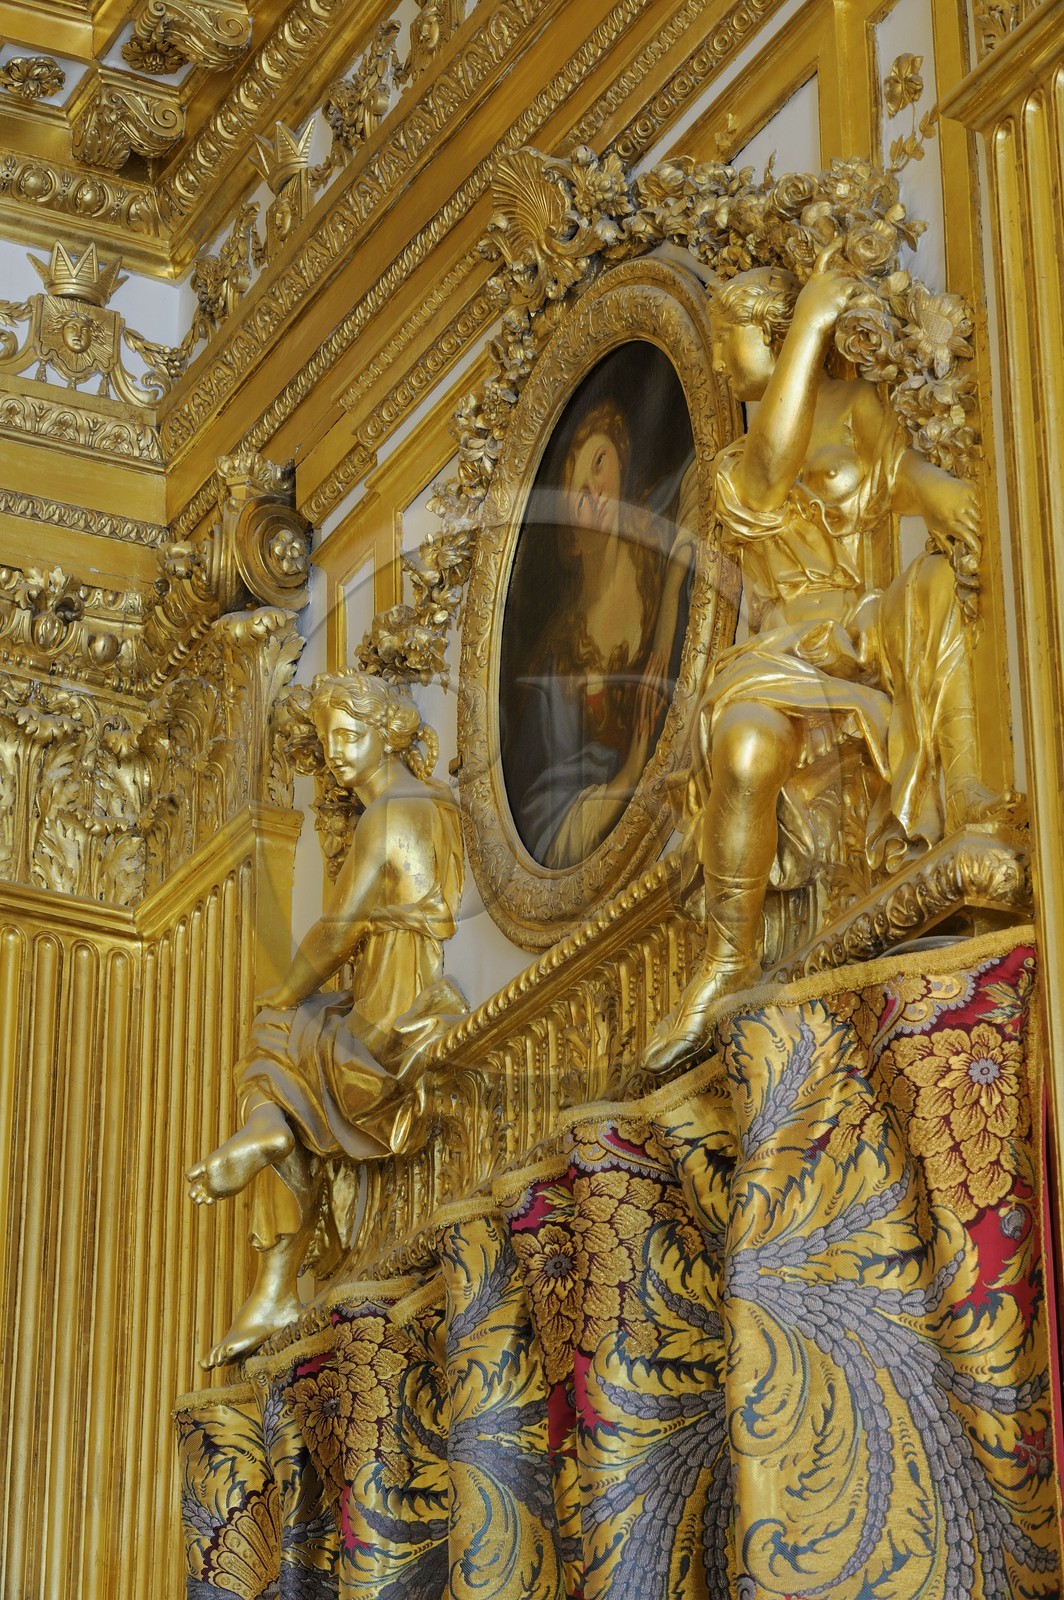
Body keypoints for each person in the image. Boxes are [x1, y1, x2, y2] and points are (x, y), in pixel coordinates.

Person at [644, 250, 994, 1073]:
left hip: (862, 631)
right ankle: (728, 955)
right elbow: (769, 476)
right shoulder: (730, 465)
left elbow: (905, 480)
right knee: (742, 747)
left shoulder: (860, 411)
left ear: (763, 336)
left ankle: (973, 793)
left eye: (732, 344)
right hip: (780, 650)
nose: (726, 364)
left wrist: (953, 496)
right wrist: (809, 326)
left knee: (939, 581)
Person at [187, 671, 467, 1367]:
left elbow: (335, 935)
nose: (336, 753)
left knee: (272, 1036)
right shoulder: (429, 803)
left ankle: (276, 1274)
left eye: (350, 735)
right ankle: (267, 1134)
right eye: (327, 738)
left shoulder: (391, 813)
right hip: (392, 1001)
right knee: (283, 1054)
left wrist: (280, 996)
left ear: (389, 733)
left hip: (395, 1014)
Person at [512, 399, 697, 868]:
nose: (596, 490)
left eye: (601, 463)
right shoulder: (562, 658)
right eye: (578, 498)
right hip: (645, 849)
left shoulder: (664, 519)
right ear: (571, 541)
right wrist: (628, 777)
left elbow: (715, 478)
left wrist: (674, 582)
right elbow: (547, 827)